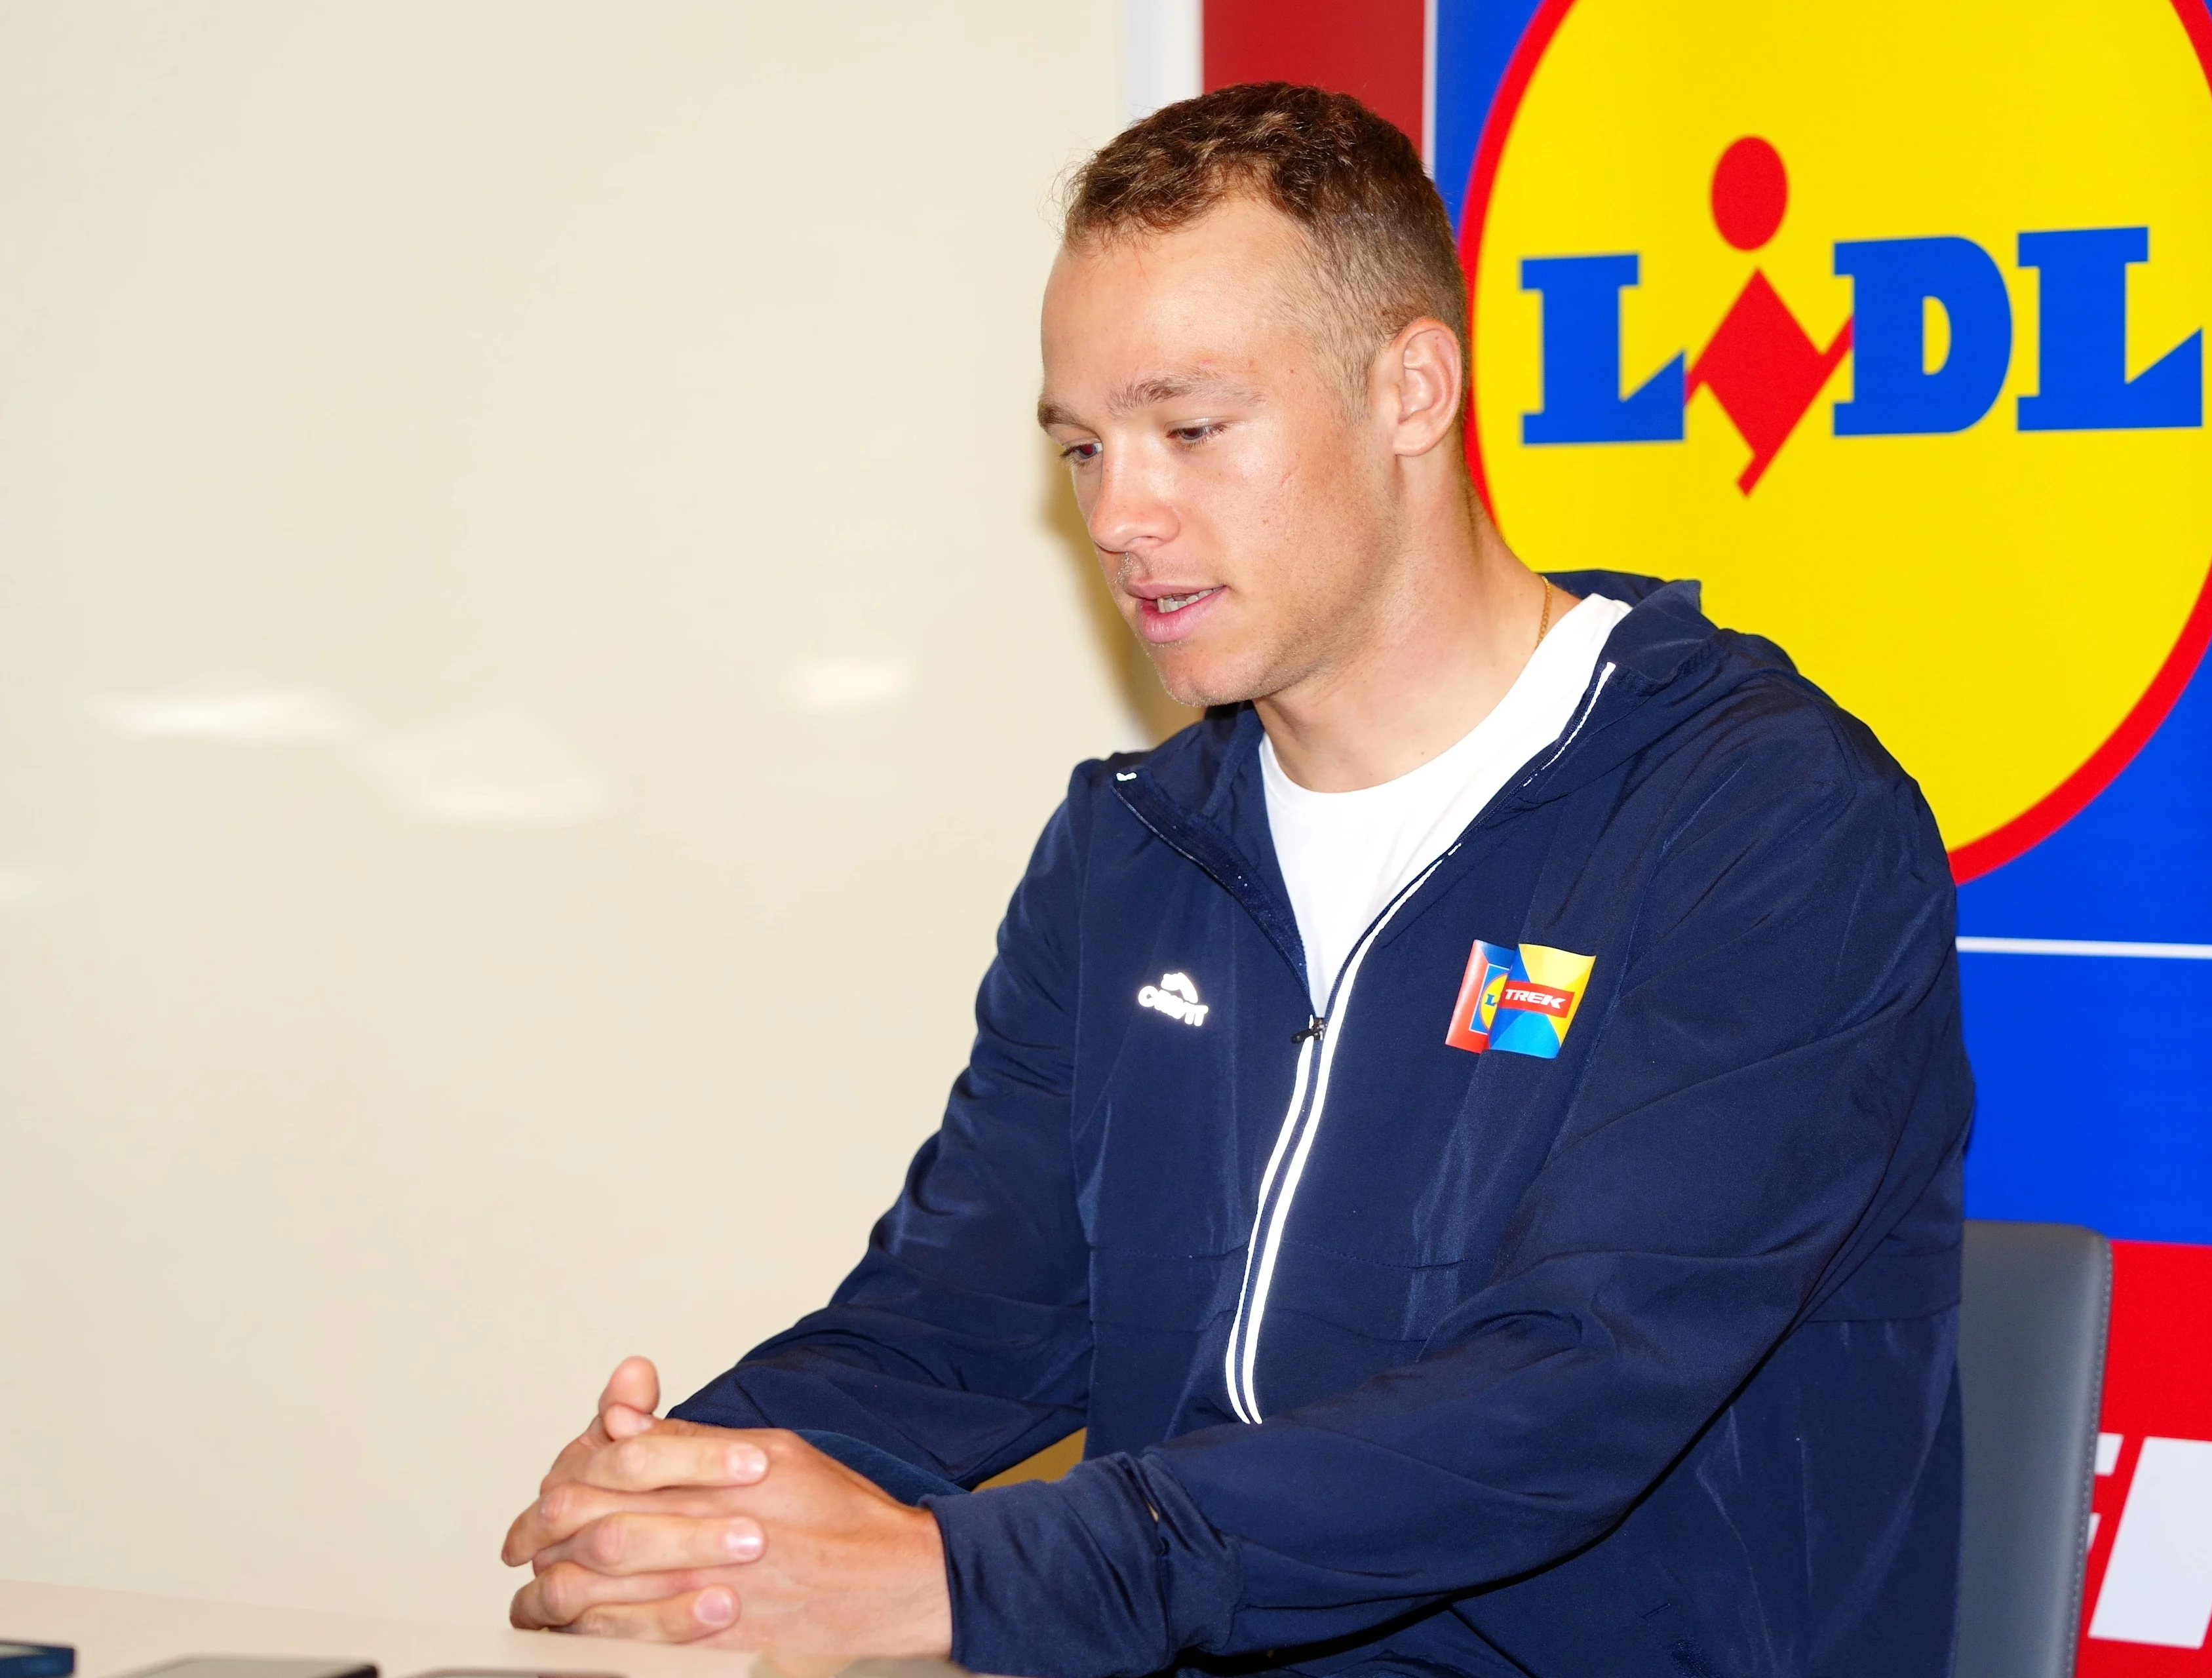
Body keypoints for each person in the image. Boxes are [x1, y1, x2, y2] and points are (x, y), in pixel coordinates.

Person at [500, 83, 1972, 1678]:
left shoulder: (1764, 819)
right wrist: (699, 1499)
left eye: (1191, 428)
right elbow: (967, 1313)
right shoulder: (1132, 844)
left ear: (1413, 384)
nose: (1123, 516)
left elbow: (1565, 1395)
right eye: (1083, 446)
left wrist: (977, 1576)